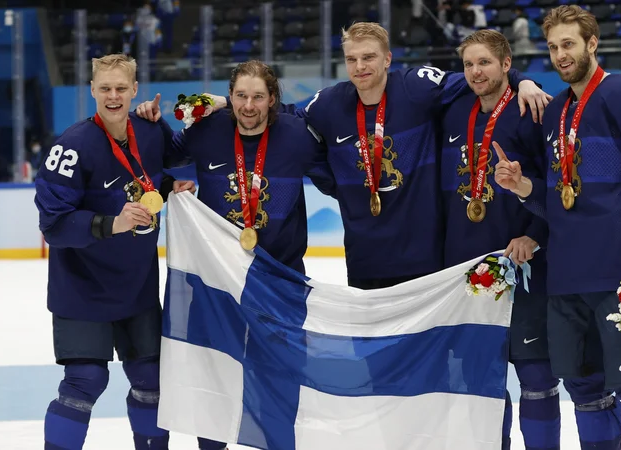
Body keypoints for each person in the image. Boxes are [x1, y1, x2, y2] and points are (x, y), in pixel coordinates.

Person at [145, 22, 551, 292]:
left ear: (387, 59)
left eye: (369, 57)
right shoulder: (329, 104)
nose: (360, 66)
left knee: (430, 371)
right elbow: (278, 116)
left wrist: (523, 79)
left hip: (428, 259)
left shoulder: (418, 87)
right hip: (365, 261)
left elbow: (479, 73)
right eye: (353, 58)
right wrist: (222, 102)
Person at [494, 6, 621, 450]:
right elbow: (561, 197)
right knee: (586, 392)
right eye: (553, 47)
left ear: (592, 43)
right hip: (566, 281)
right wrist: (522, 185)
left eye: (569, 44)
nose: (561, 55)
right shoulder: (555, 111)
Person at [138, 60, 336, 450]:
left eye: (258, 97)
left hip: (281, 283)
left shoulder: (298, 136)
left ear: (273, 99)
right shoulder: (207, 130)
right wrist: (152, 122)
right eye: (241, 96)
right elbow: (163, 158)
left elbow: (338, 175)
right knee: (215, 380)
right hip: (218, 283)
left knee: (279, 381)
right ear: (229, 99)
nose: (249, 106)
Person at [34, 53, 195, 450]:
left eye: (121, 88)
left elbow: (178, 164)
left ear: (134, 90)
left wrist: (177, 182)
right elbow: (53, 225)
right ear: (91, 90)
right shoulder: (71, 147)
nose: (113, 96)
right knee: (84, 382)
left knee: (151, 383)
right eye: (104, 88)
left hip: (137, 288)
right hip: (82, 290)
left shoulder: (151, 131)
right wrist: (112, 224)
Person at [442, 28, 559, 450]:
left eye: (485, 62)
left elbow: (556, 186)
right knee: (481, 386)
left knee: (538, 381)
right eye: (469, 64)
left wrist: (534, 236)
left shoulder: (534, 112)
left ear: (507, 65)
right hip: (468, 274)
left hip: (524, 268)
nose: (476, 72)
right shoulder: (454, 112)